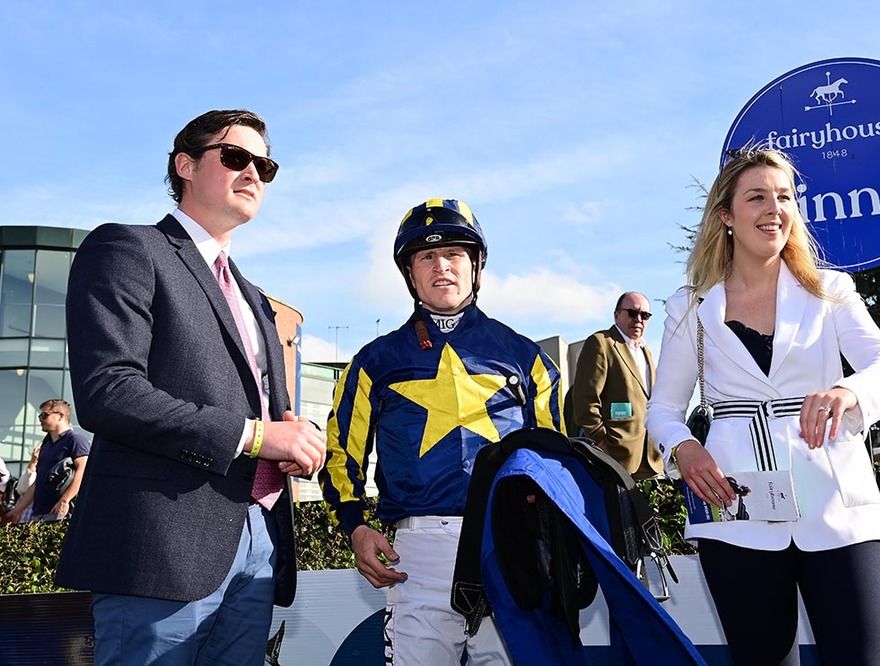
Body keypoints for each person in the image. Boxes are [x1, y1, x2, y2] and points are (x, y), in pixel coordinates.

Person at [54, 109, 326, 665]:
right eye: (235, 157)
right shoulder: (127, 249)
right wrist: (255, 437)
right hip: (160, 546)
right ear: (185, 165)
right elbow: (109, 390)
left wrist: (298, 435)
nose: (253, 173)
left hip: (258, 542)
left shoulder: (252, 296)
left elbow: (265, 413)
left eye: (265, 166)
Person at [646, 147, 880, 666]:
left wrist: (849, 391)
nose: (775, 208)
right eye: (757, 197)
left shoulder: (831, 290)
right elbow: (663, 410)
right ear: (726, 215)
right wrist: (685, 449)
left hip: (835, 503)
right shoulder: (690, 306)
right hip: (735, 504)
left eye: (785, 196)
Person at [320, 198, 563, 665]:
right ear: (410, 274)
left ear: (476, 266)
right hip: (419, 552)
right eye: (426, 257)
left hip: (508, 545)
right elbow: (340, 456)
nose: (441, 267)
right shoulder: (374, 361)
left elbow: (554, 465)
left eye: (454, 253)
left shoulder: (527, 357)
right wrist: (354, 527)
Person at [573, 292, 664, 480]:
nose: (638, 319)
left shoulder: (646, 351)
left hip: (651, 460)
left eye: (645, 315)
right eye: (632, 313)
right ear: (617, 315)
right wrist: (602, 440)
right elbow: (585, 400)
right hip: (615, 457)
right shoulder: (601, 343)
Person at [1, 400, 90, 523]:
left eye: (44, 415)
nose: (40, 419)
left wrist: (64, 500)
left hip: (62, 513)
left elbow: (83, 471)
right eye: (40, 415)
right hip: (39, 514)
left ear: (60, 416)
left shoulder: (75, 440)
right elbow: (38, 482)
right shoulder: (46, 445)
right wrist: (17, 511)